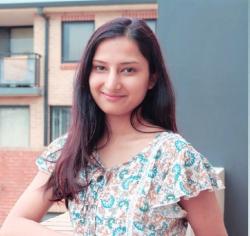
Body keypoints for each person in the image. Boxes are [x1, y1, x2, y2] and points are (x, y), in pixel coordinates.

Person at [0, 17, 228, 236]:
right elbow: (14, 225)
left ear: (152, 78)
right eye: (100, 68)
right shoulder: (70, 149)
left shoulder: (175, 157)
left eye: (128, 70)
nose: (111, 83)